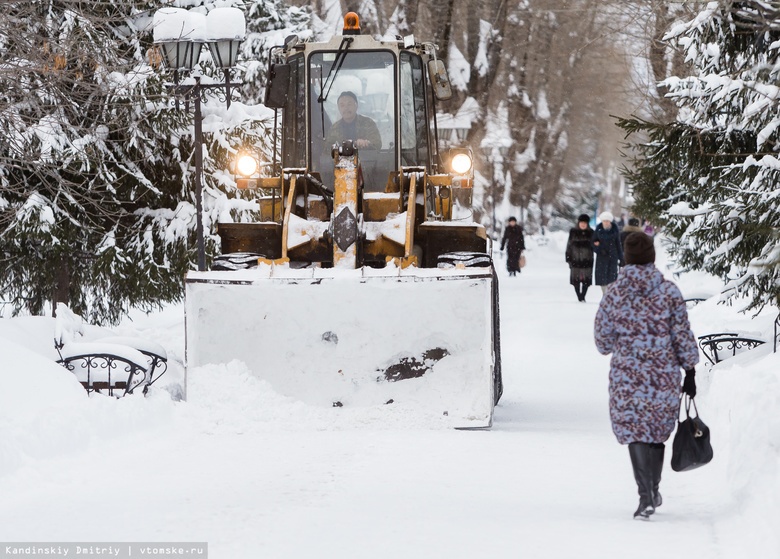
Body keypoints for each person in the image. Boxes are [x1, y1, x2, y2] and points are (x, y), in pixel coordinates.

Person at [594, 232, 699, 520]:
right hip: (662, 375)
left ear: (626, 259)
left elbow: (602, 341)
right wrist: (690, 369)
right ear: (652, 257)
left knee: (635, 432)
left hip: (627, 377)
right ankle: (653, 489)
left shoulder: (614, 293)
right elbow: (682, 336)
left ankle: (646, 495)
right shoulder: (669, 292)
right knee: (656, 433)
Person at [592, 211, 623, 294]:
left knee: (612, 278)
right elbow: (593, 244)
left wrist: (621, 258)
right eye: (604, 221)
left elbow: (618, 245)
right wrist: (599, 248)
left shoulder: (615, 231)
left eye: (607, 221)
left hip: (613, 257)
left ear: (610, 221)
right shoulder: (598, 230)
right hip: (601, 258)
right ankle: (605, 294)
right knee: (602, 279)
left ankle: (609, 295)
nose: (606, 223)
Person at [565, 214, 594, 302]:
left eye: (585, 223)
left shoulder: (591, 233)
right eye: (581, 223)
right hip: (575, 259)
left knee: (586, 280)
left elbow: (595, 245)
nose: (583, 225)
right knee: (575, 280)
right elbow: (569, 245)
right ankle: (579, 296)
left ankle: (583, 296)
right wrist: (568, 257)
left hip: (587, 259)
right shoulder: (573, 232)